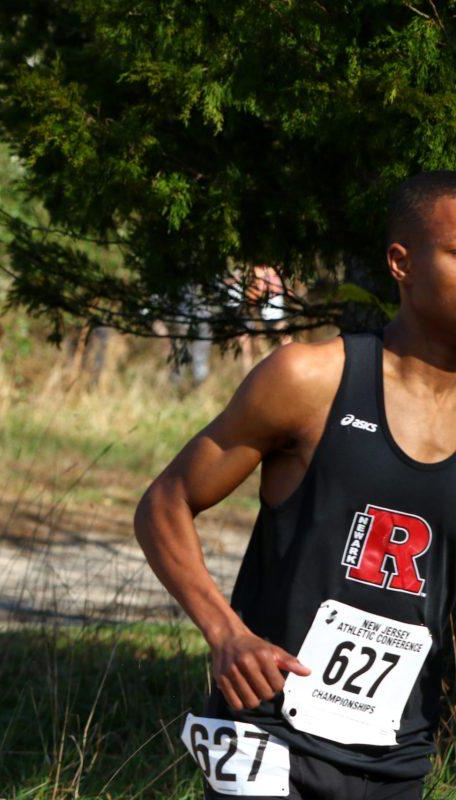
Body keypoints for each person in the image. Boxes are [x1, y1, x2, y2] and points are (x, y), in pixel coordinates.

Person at [135, 171, 456, 799]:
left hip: (397, 752)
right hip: (265, 733)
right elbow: (165, 503)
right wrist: (225, 632)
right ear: (402, 262)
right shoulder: (311, 381)